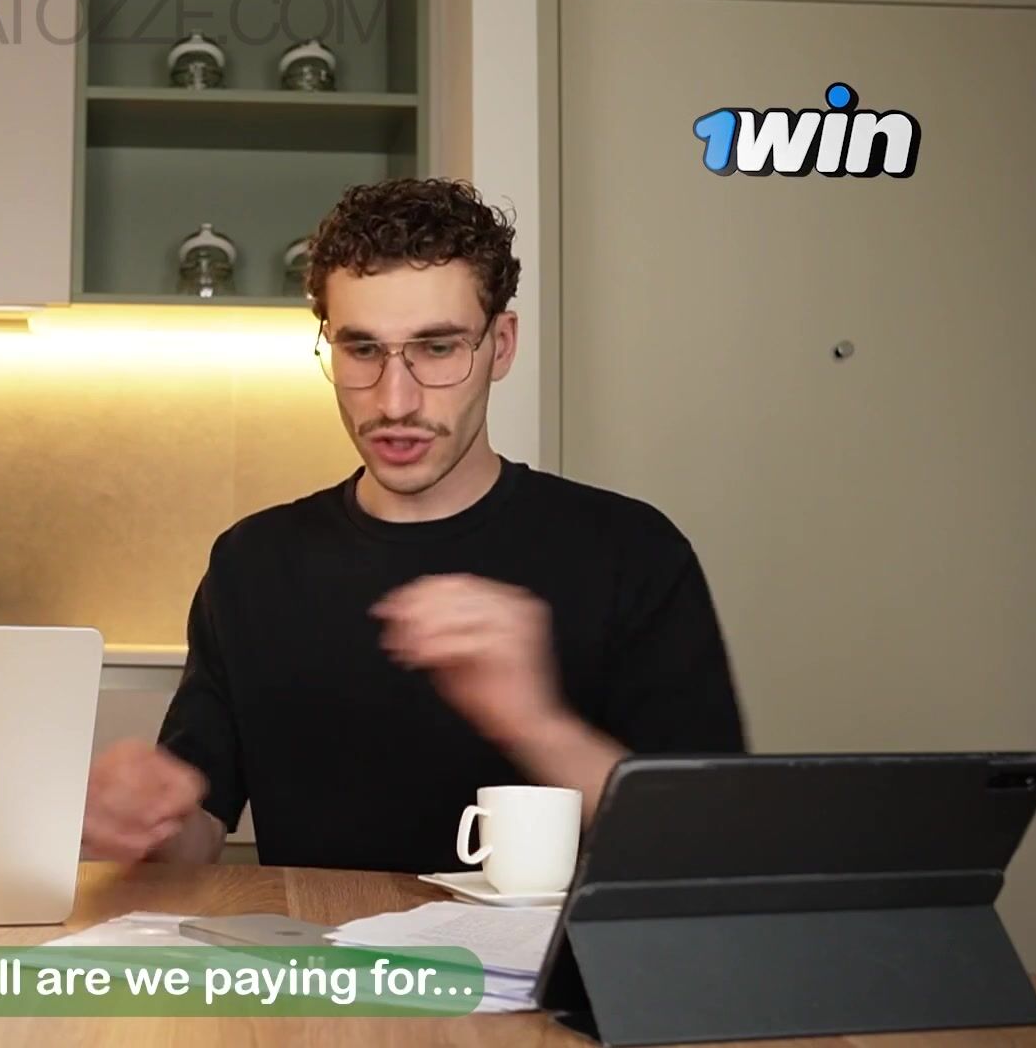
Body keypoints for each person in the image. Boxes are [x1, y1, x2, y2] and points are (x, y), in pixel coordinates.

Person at [81, 178, 746, 870]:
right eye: (362, 350)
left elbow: (716, 845)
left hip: (553, 947)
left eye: (438, 348)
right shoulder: (252, 563)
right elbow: (195, 836)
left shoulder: (632, 552)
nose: (395, 401)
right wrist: (145, 824)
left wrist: (537, 724)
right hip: (315, 942)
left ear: (501, 346)